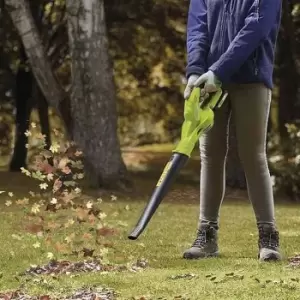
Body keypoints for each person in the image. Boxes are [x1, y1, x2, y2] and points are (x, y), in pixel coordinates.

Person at [183, 0, 282, 261]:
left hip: (251, 78)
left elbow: (257, 27)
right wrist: (195, 71)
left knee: (253, 155)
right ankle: (206, 236)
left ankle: (268, 237)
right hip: (207, 81)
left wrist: (219, 70)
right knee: (211, 156)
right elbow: (198, 27)